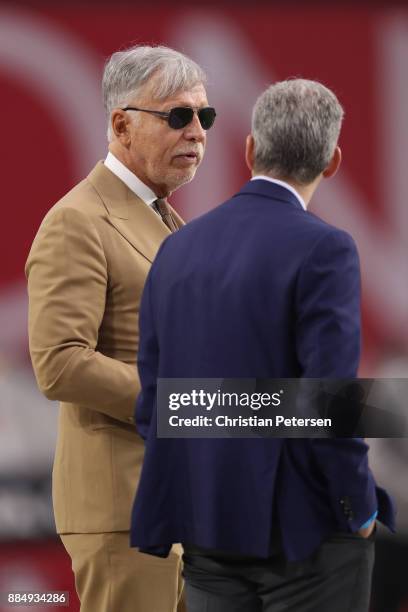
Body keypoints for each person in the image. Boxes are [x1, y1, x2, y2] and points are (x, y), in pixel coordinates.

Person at [130, 79, 395, 612]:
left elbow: (154, 400)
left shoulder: (176, 249)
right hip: (306, 538)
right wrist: (358, 509)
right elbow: (331, 402)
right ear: (333, 162)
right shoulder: (326, 248)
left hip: (206, 526)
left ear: (249, 149)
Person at [25, 44, 215, 612]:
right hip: (123, 508)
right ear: (120, 124)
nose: (198, 133)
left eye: (204, 117)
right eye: (177, 116)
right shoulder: (78, 220)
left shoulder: (165, 219)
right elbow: (60, 362)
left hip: (177, 502)